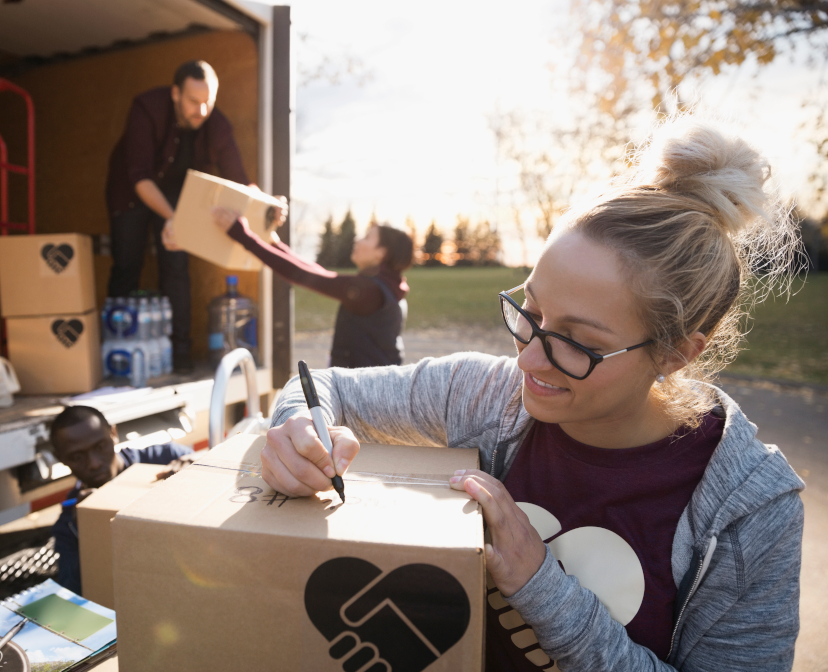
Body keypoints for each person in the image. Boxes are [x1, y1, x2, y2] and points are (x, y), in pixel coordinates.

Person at [260, 118, 804, 671]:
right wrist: (297, 431)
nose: (526, 359)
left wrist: (541, 587)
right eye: (532, 312)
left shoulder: (750, 512)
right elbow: (322, 388)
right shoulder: (485, 394)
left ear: (675, 353)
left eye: (575, 342)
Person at [106, 60, 250, 373]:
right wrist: (174, 219)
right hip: (132, 189)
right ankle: (117, 352)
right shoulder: (146, 108)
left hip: (177, 194)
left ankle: (179, 354)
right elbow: (140, 176)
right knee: (128, 261)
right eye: (193, 101)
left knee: (176, 266)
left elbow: (240, 180)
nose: (201, 110)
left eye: (208, 102)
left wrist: (266, 204)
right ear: (175, 93)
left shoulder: (218, 125)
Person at [212, 208, 415, 367]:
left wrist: (242, 235)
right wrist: (276, 246)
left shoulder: (369, 292)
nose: (358, 240)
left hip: (367, 394)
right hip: (375, 387)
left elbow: (306, 276)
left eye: (367, 237)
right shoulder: (388, 286)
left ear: (382, 253)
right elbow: (319, 273)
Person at [48, 405, 192, 595]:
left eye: (100, 447)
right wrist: (88, 535)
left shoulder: (164, 459)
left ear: (114, 433)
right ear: (60, 458)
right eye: (77, 457)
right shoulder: (70, 523)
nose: (94, 463)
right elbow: (73, 591)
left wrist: (198, 470)